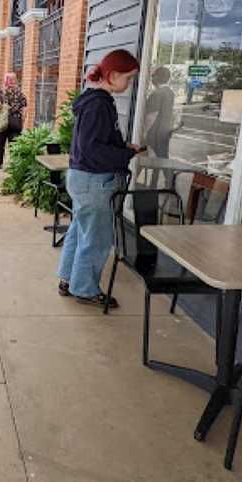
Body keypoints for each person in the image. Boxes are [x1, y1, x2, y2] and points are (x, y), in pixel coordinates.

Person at [56, 49, 143, 308]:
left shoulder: (93, 100)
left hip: (84, 179)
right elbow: (92, 150)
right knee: (96, 237)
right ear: (113, 75)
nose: (129, 84)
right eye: (128, 78)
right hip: (95, 182)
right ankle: (84, 288)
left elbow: (92, 144)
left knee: (80, 230)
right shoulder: (99, 104)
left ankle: (68, 278)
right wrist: (125, 153)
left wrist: (122, 147)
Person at [0, 72, 27, 169]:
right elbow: (24, 111)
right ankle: (15, 164)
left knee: (0, 143)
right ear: (16, 80)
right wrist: (21, 123)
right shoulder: (21, 94)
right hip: (15, 121)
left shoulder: (2, 93)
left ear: (5, 80)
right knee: (14, 144)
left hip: (2, 122)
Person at [143, 66, 176, 159]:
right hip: (166, 131)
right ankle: (161, 173)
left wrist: (145, 131)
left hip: (155, 133)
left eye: (153, 75)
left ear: (157, 77)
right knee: (163, 156)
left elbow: (152, 116)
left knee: (152, 158)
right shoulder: (170, 92)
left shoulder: (156, 94)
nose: (151, 78)